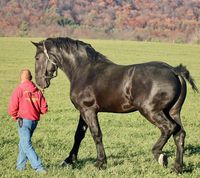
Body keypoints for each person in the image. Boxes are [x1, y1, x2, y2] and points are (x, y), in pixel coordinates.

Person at [8, 69, 48, 173]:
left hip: (23, 121)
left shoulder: (19, 89)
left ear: (21, 78)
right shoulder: (38, 91)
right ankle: (20, 167)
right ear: (31, 78)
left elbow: (12, 107)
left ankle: (39, 167)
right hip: (34, 121)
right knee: (23, 143)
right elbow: (44, 109)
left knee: (26, 144)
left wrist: (14, 116)